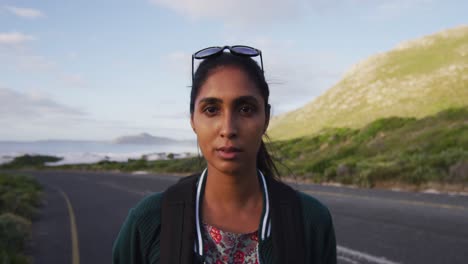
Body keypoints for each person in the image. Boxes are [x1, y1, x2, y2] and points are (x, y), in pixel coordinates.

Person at [112, 46, 337, 264]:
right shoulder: (149, 220)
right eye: (211, 109)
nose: (228, 128)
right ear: (193, 120)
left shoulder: (311, 221)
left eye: (246, 109)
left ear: (266, 118)